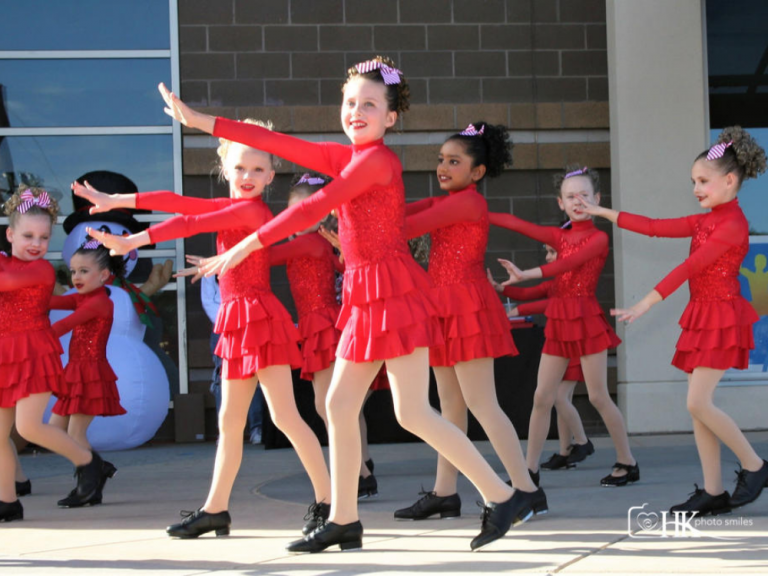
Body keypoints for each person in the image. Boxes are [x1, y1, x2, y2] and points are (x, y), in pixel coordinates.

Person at [176, 56, 525, 552]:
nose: (356, 111)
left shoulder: (378, 161)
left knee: (412, 413)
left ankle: (500, 494)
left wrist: (244, 246)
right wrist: (203, 122)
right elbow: (282, 144)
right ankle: (344, 518)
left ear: (390, 118)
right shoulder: (347, 156)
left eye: (369, 104)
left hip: (393, 293)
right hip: (364, 294)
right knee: (338, 406)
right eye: (349, 102)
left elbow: (317, 207)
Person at [75, 119, 331, 538]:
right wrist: (115, 199)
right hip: (236, 318)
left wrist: (133, 240)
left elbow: (187, 222)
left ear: (270, 176)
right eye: (240, 168)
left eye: (257, 170)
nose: (248, 177)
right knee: (229, 421)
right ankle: (216, 508)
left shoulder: (251, 209)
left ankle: (327, 501)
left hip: (259, 320)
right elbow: (179, 203)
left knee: (285, 417)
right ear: (225, 168)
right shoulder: (229, 205)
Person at [576, 127, 767, 515]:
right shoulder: (707, 219)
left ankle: (755, 466)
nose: (695, 188)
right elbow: (653, 227)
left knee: (698, 403)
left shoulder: (732, 224)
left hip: (722, 317)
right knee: (699, 406)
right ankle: (713, 491)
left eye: (702, 181)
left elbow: (690, 266)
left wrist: (646, 302)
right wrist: (602, 212)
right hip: (702, 315)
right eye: (693, 181)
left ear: (729, 180)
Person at [394, 123, 546, 522]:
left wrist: (369, 222)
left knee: (482, 403)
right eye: (441, 159)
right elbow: (405, 212)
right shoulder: (448, 199)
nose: (443, 166)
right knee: (449, 407)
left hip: (466, 306)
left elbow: (405, 227)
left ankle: (526, 489)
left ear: (477, 172)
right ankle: (446, 492)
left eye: (454, 161)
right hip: (443, 304)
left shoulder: (469, 203)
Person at [491, 165, 637, 487]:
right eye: (570, 196)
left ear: (597, 198)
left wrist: (526, 273)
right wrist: (479, 213)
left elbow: (565, 264)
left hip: (585, 319)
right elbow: (519, 224)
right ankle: (529, 470)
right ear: (561, 203)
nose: (578, 201)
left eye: (585, 195)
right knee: (543, 396)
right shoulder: (559, 235)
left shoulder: (598, 239)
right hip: (559, 320)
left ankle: (627, 460)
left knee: (598, 396)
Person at [0, 186, 107, 522]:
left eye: (44, 238)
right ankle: (7, 501)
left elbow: (6, 283)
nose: (36, 243)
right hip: (5, 353)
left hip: (34, 353)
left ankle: (90, 463)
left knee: (29, 428)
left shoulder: (41, 271)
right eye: (28, 235)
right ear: (10, 234)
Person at [487, 236, 594, 471]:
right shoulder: (557, 281)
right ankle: (566, 451)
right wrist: (500, 288)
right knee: (558, 397)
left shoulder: (576, 282)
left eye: (552, 253)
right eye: (547, 252)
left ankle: (583, 442)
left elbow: (549, 304)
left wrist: (518, 310)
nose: (547, 257)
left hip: (576, 342)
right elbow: (531, 293)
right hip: (562, 342)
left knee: (559, 397)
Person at [48, 238, 125, 506]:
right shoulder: (84, 297)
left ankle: (87, 486)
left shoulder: (98, 302)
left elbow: (62, 326)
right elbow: (53, 302)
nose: (76, 276)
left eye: (84, 271)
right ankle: (98, 469)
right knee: (53, 430)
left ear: (104, 275)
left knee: (74, 435)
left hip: (90, 374)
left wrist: (27, 338)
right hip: (75, 372)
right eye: (73, 271)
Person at [200, 274, 265, 444]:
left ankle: (256, 428)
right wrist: (226, 322)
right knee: (222, 379)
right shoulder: (211, 268)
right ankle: (225, 430)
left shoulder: (245, 260)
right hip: (221, 328)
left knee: (253, 376)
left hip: (246, 325)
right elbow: (208, 300)